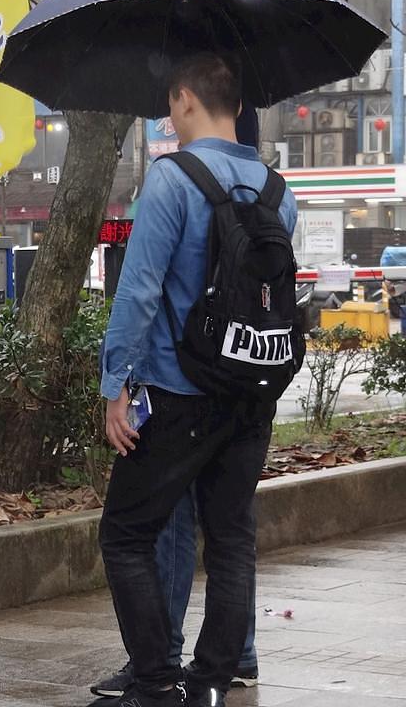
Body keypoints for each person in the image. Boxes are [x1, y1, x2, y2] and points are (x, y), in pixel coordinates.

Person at [98, 53, 296, 707]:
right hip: (251, 394)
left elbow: (138, 293)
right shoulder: (277, 191)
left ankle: (156, 682)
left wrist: (114, 384)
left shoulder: (172, 179)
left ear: (185, 100)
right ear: (237, 105)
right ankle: (221, 672)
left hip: (180, 395)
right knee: (233, 535)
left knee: (126, 534)